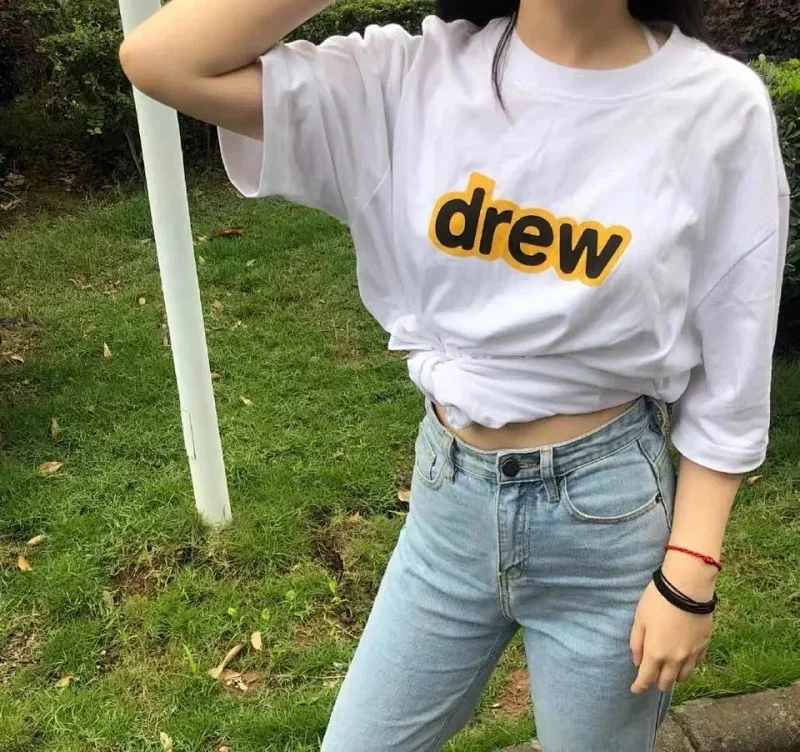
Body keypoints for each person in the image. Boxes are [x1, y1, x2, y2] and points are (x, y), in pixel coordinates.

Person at [119, 0, 789, 748]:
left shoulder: (715, 105)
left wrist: (690, 573)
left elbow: (733, 368)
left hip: (605, 524)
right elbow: (163, 61)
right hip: (448, 509)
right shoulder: (409, 81)